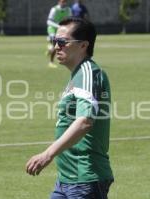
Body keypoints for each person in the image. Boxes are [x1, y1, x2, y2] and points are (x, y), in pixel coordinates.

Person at [26, 17, 114, 199]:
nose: (56, 46)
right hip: (67, 179)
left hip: (85, 179)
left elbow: (84, 122)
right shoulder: (78, 75)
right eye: (54, 41)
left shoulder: (89, 73)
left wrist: (47, 154)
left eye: (62, 42)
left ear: (83, 45)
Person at [46, 0, 72, 68]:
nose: (64, 2)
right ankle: (51, 62)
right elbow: (49, 21)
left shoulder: (68, 9)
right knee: (56, 45)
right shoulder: (54, 9)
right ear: (59, 1)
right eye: (62, 1)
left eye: (65, 1)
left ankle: (49, 49)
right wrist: (58, 26)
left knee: (63, 45)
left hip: (62, 30)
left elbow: (70, 19)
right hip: (53, 29)